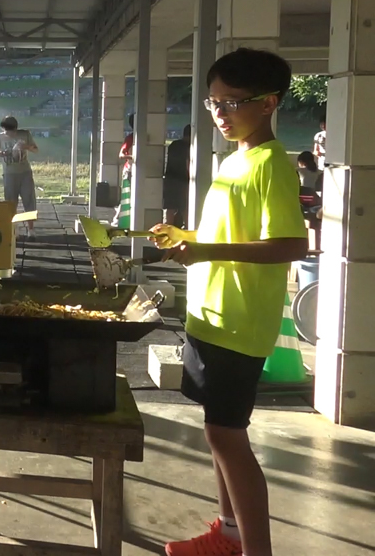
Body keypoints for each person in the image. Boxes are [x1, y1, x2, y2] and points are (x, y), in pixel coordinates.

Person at [151, 48, 307, 556]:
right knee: (218, 432)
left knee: (227, 437)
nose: (220, 114)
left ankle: (254, 550)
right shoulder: (236, 160)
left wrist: (204, 251)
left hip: (240, 323)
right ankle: (228, 534)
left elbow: (290, 245)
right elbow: (231, 234)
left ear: (269, 103)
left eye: (232, 103)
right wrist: (187, 236)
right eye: (213, 102)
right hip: (211, 317)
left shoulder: (271, 164)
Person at [0, 115, 38, 233]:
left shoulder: (25, 134)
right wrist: (0, 153)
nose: (9, 134)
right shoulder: (0, 137)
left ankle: (31, 230)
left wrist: (26, 146)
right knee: (10, 202)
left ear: (15, 129)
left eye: (11, 131)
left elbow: (35, 149)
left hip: (25, 173)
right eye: (6, 131)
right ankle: (13, 229)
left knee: (29, 200)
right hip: (9, 174)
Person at [163, 125, 193, 228]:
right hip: (183, 180)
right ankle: (189, 227)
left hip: (170, 179)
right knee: (185, 207)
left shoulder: (173, 145)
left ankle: (168, 227)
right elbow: (188, 164)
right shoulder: (190, 146)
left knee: (170, 207)